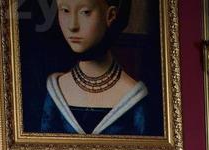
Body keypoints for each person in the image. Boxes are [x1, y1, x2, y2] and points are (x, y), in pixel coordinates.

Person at [41, 0, 152, 136]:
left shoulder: (134, 96)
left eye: (85, 12)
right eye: (65, 11)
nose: (72, 26)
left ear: (110, 15)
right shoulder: (56, 89)